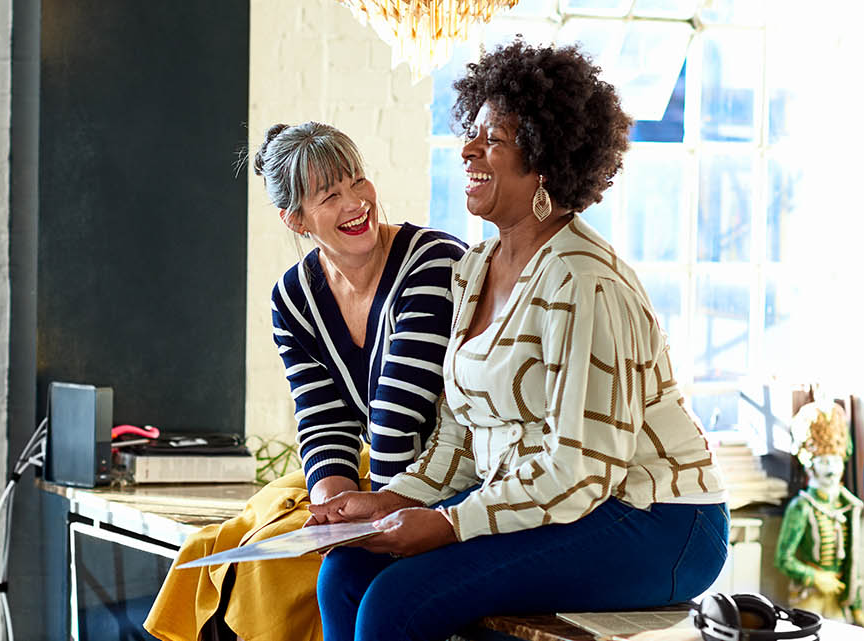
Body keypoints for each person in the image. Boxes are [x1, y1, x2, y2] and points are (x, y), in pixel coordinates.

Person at [309, 41, 731, 641]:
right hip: (565, 503)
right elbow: (461, 433)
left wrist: (450, 524)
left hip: (652, 520)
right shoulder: (476, 268)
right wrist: (391, 500)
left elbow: (581, 470)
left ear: (543, 162)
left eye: (492, 140)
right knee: (346, 570)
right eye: (472, 133)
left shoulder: (585, 283)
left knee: (396, 602)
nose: (467, 150)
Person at [143, 122, 466, 641]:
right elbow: (322, 420)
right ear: (295, 219)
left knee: (343, 576)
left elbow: (398, 413)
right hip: (380, 483)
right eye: (330, 195)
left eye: (358, 181)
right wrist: (331, 511)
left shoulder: (434, 261)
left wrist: (367, 518)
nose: (356, 203)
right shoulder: (293, 298)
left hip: (451, 479)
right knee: (256, 561)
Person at [775, 400, 864, 630]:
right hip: (809, 596)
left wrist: (857, 609)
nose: (830, 469)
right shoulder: (801, 507)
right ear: (811, 464)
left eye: (835, 461)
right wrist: (815, 577)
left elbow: (853, 563)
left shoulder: (849, 507)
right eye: (823, 462)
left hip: (838, 597)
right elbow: (783, 558)